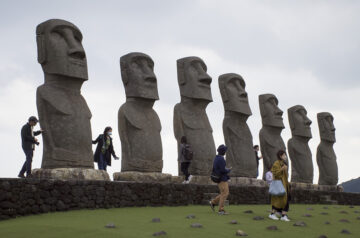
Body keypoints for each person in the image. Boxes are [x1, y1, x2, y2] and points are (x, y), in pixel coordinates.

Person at [269, 150, 291, 222]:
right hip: (279, 185)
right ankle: (272, 214)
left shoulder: (283, 163)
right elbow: (275, 174)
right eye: (284, 155)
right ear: (280, 156)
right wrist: (282, 169)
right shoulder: (276, 163)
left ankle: (283, 215)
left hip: (285, 184)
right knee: (278, 200)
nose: (285, 156)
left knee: (286, 200)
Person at [209, 144, 231, 215]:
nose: (225, 152)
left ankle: (213, 202)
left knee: (223, 193)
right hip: (222, 179)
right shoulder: (221, 159)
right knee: (225, 193)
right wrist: (228, 170)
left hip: (219, 178)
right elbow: (222, 170)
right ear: (223, 152)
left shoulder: (216, 158)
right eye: (225, 150)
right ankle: (221, 210)